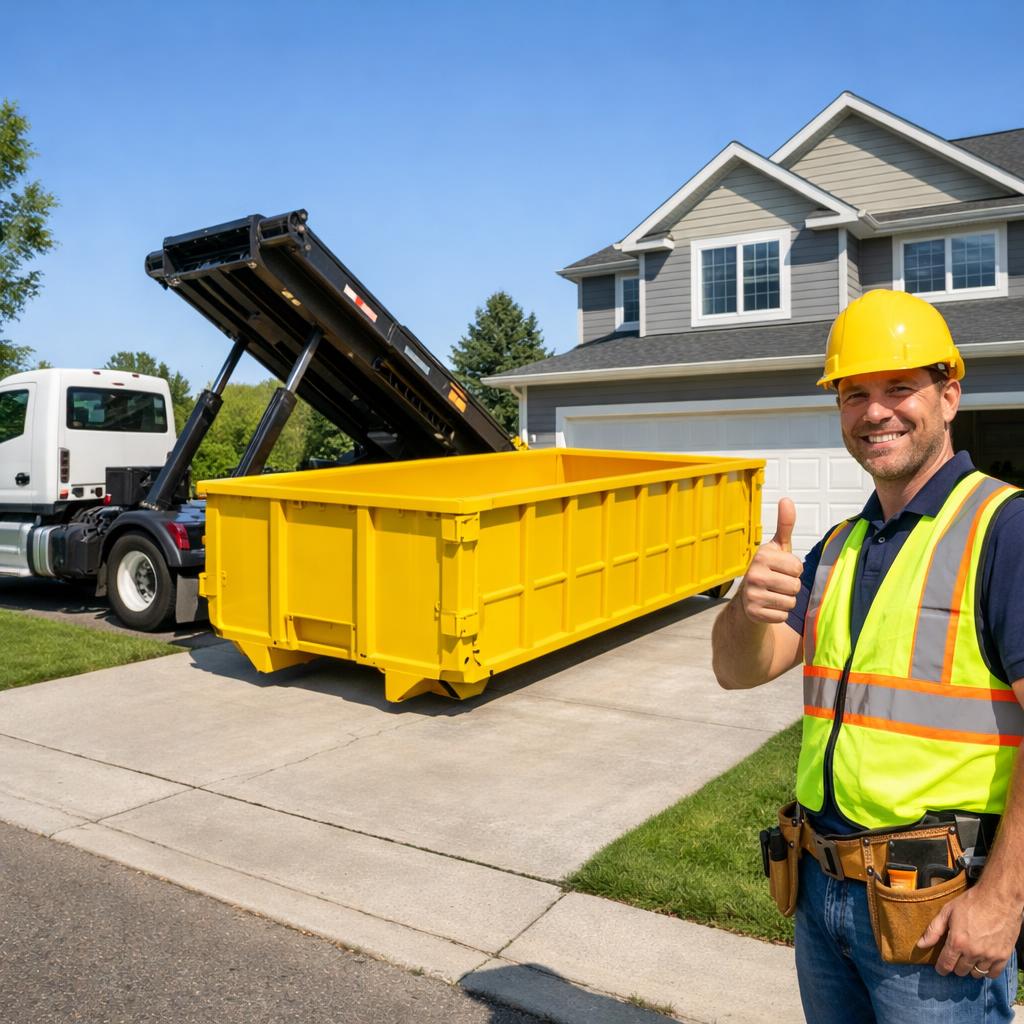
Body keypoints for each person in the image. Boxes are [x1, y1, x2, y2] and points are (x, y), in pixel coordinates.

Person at [711, 289, 1024, 1023]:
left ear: (949, 396)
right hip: (821, 893)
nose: (874, 411)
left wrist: (1004, 897)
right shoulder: (838, 547)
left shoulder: (1003, 531)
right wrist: (745, 605)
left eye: (899, 389)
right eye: (854, 394)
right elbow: (738, 670)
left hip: (937, 913)